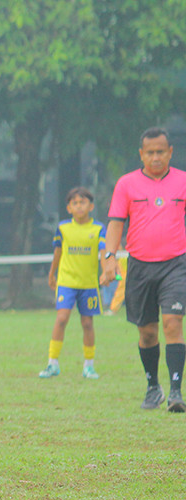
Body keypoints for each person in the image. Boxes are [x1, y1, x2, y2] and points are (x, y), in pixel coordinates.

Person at [101, 127, 186, 412]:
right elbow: (115, 223)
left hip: (176, 264)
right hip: (139, 265)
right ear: (141, 154)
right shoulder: (126, 184)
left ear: (170, 152)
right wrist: (109, 257)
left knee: (173, 322)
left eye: (161, 151)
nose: (156, 157)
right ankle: (153, 387)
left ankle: (176, 391)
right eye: (150, 152)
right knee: (147, 332)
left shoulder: (183, 181)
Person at [38, 187, 106, 379]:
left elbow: (102, 252)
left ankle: (89, 365)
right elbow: (57, 253)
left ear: (91, 206)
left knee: (87, 323)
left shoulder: (98, 228)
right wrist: (52, 274)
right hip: (66, 281)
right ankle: (52, 363)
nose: (78, 206)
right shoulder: (63, 228)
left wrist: (106, 271)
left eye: (82, 202)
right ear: (69, 208)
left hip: (89, 284)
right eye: (74, 203)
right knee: (62, 318)